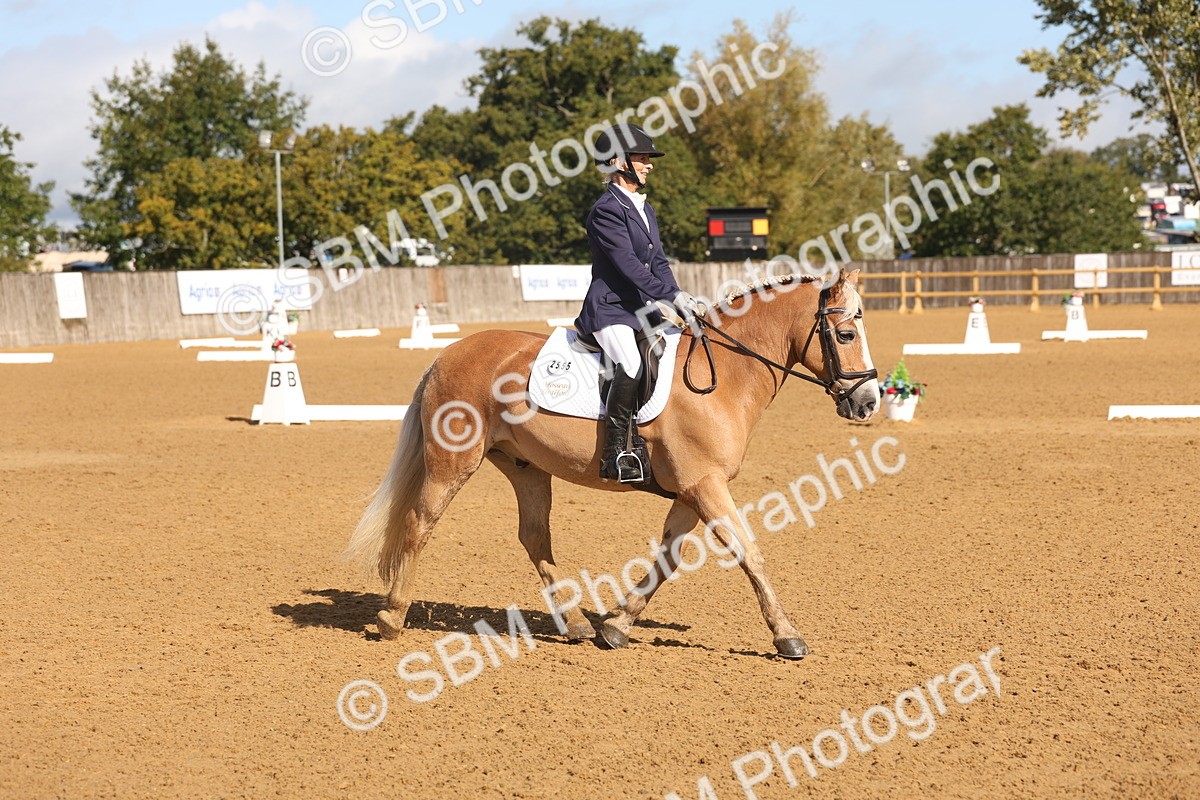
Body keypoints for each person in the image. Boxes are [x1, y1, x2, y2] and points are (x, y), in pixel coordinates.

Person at [574, 123, 706, 483]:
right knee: (630, 363)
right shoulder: (606, 210)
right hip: (611, 308)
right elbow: (628, 265)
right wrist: (668, 297)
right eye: (643, 158)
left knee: (670, 351)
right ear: (618, 162)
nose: (649, 165)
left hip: (639, 308)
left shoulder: (645, 210)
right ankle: (615, 451)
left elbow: (658, 262)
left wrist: (677, 296)